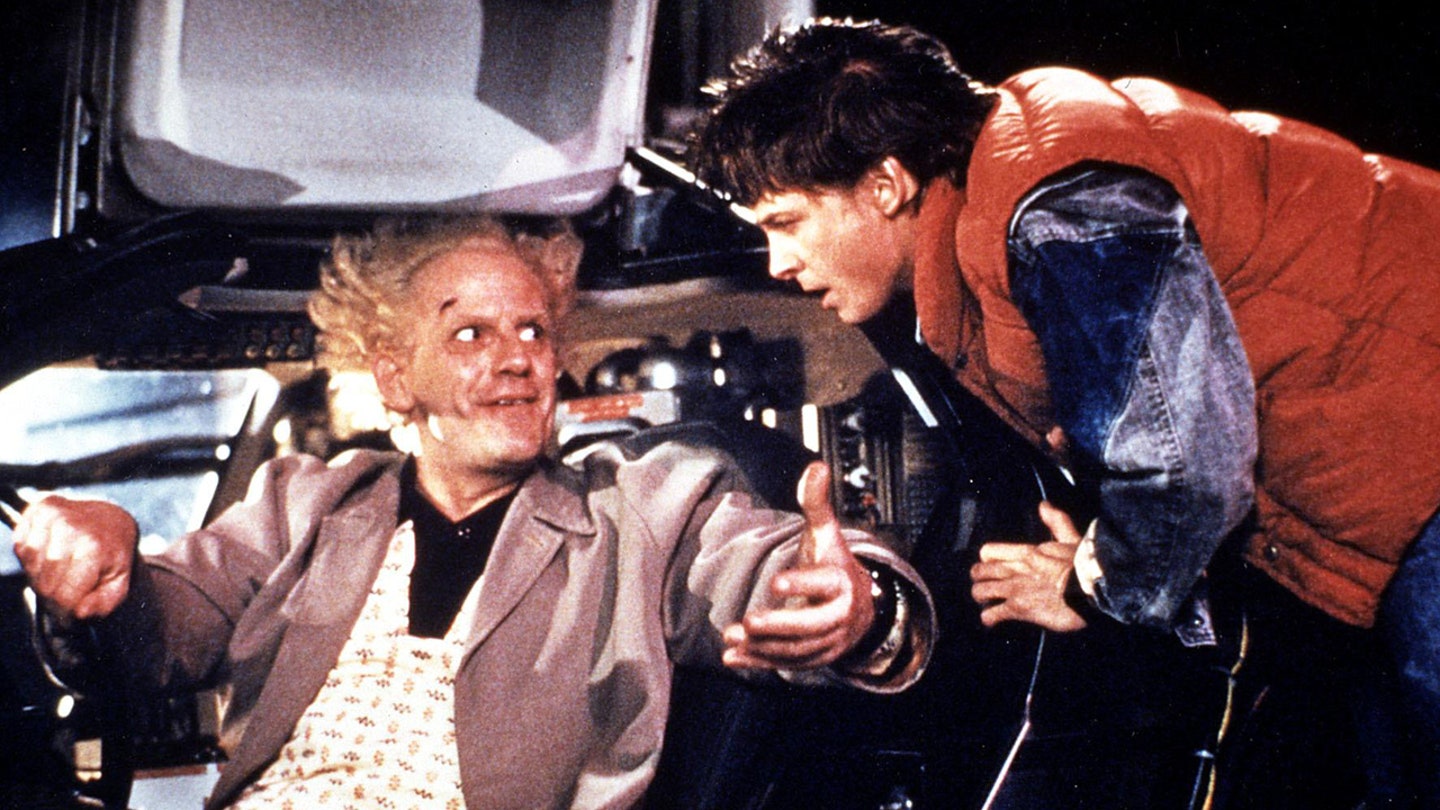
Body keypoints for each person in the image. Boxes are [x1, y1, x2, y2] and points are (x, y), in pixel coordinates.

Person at [689, 16, 1440, 806]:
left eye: (786, 223)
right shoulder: (1007, 191)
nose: (778, 263)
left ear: (885, 185)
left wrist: (1094, 588)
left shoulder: (1060, 209)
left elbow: (1186, 470)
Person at [12, 214, 934, 809]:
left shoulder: (641, 507)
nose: (516, 357)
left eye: (534, 329)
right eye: (470, 333)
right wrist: (103, 573)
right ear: (393, 377)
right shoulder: (304, 503)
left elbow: (760, 565)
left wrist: (858, 605)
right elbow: (160, 631)